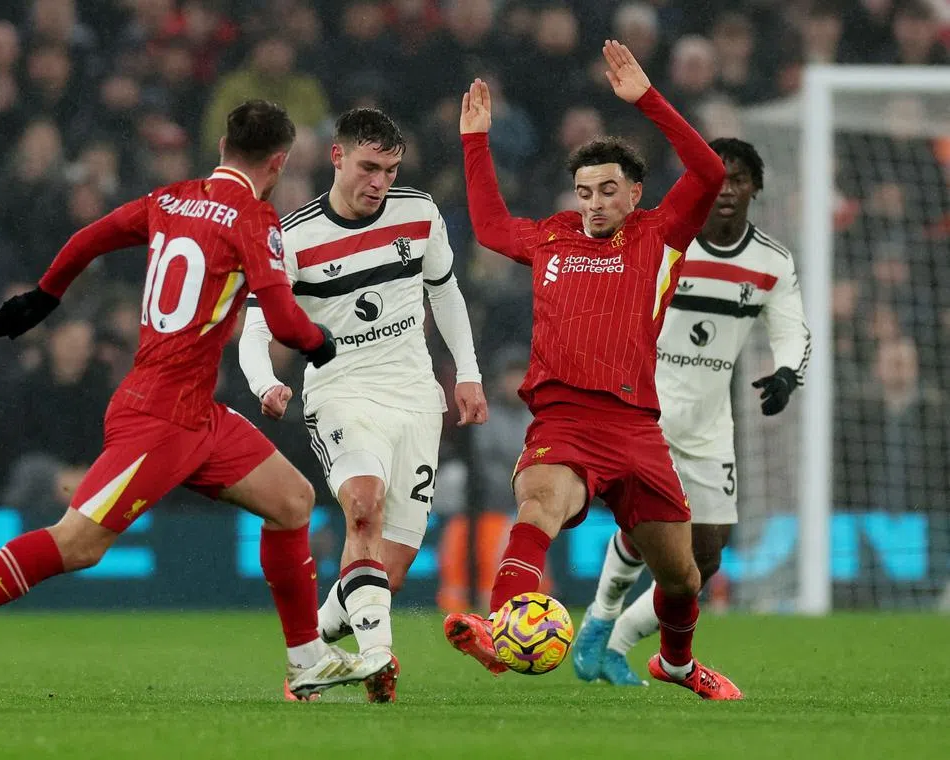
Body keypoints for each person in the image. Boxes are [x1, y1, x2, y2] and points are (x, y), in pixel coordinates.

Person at [0, 100, 392, 701]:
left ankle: (307, 658)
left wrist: (45, 296)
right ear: (279, 163)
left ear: (222, 148)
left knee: (291, 500)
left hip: (195, 413)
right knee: (78, 542)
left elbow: (89, 238)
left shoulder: (170, 199)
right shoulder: (253, 217)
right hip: (160, 417)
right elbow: (286, 322)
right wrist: (322, 343)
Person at [444, 41, 741, 700]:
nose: (595, 203)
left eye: (608, 190)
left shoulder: (660, 234)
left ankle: (677, 664)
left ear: (634, 192)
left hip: (636, 428)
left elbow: (709, 171)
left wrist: (648, 100)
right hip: (565, 420)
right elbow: (490, 226)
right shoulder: (552, 237)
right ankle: (500, 628)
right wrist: (475, 141)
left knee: (683, 578)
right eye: (585, 193)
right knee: (539, 505)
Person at [238, 107, 485, 702]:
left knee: (385, 573)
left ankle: (312, 658)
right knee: (363, 506)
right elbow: (254, 329)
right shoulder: (292, 239)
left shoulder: (418, 213)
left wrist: (469, 373)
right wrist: (264, 383)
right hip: (341, 391)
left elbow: (445, 293)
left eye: (390, 171)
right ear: (338, 157)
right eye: (369, 168)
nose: (380, 182)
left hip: (416, 397)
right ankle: (378, 658)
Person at [571, 138, 810, 686]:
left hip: (709, 423)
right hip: (645, 409)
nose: (725, 189)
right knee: (646, 529)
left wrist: (787, 373)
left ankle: (618, 640)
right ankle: (600, 622)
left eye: (738, 179)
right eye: (716, 177)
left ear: (755, 188)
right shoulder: (665, 240)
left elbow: (792, 328)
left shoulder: (771, 261)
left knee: (705, 560)